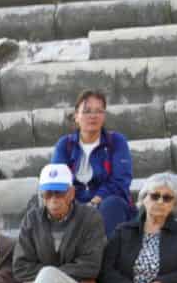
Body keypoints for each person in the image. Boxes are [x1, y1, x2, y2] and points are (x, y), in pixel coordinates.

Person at [50, 89, 134, 236]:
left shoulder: (116, 142)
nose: (93, 116)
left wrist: (94, 202)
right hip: (73, 203)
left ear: (104, 116)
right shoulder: (65, 144)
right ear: (76, 116)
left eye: (99, 111)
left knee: (111, 205)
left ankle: (110, 257)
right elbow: (57, 180)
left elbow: (121, 182)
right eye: (87, 111)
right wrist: (77, 206)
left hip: (106, 203)